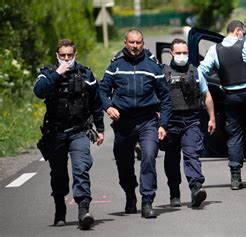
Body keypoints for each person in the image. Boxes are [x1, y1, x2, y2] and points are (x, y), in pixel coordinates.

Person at [98, 28, 172, 218]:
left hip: (147, 120)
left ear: (143, 43)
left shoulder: (153, 67)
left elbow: (166, 98)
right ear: (125, 42)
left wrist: (163, 124)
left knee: (148, 156)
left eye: (138, 42)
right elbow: (101, 91)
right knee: (124, 163)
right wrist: (108, 107)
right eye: (131, 42)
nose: (135, 46)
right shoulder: (115, 66)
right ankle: (130, 195)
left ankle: (147, 201)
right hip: (123, 122)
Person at [34, 39, 104, 230]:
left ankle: (84, 211)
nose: (66, 59)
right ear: (57, 56)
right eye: (63, 55)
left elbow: (96, 103)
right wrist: (57, 74)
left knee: (81, 168)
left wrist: (100, 128)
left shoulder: (86, 74)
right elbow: (39, 92)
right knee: (58, 174)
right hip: (56, 133)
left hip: (79, 131)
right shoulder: (47, 74)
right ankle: (60, 209)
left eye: (69, 55)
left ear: (75, 55)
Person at [198, 20, 246, 190]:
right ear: (237, 31)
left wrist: (205, 91)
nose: (243, 35)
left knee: (234, 134)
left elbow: (200, 71)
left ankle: (235, 176)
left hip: (231, 98)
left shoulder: (214, 49)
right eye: (243, 32)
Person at [162, 38, 216, 207]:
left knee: (191, 153)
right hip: (170, 122)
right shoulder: (162, 73)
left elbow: (206, 95)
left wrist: (212, 117)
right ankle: (174, 193)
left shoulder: (196, 72)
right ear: (171, 53)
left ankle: (196, 188)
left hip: (191, 120)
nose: (182, 56)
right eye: (178, 53)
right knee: (171, 159)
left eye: (185, 53)